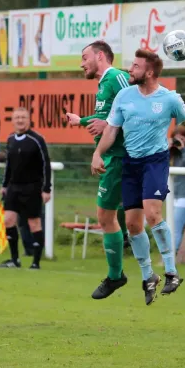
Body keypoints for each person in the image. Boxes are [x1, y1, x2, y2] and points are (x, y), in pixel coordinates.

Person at [91, 49, 185, 305]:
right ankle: (148, 276)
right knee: (133, 224)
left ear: (148, 72)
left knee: (152, 213)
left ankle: (171, 271)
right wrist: (98, 153)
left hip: (155, 162)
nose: (129, 70)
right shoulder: (124, 96)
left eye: (135, 66)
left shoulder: (169, 98)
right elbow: (112, 130)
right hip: (131, 163)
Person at [66, 40, 131, 300]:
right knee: (109, 216)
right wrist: (80, 120)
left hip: (120, 157)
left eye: (85, 57)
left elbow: (137, 105)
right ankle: (124, 258)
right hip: (113, 157)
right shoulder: (104, 84)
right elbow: (106, 120)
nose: (81, 63)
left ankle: (119, 274)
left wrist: (110, 126)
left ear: (100, 56)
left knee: (107, 216)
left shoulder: (116, 77)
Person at [0, 107, 52, 270]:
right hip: (14, 188)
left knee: (34, 223)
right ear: (13, 120)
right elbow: (8, 164)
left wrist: (46, 188)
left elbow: (46, 164)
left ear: (29, 120)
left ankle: (36, 262)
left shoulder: (36, 139)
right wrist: (4, 185)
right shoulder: (10, 139)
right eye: (17, 118)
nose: (20, 120)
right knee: (8, 220)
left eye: (23, 117)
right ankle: (14, 259)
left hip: (32, 188)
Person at [0, 149, 44, 258]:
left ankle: (36, 253)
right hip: (16, 189)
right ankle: (26, 252)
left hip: (32, 189)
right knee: (18, 221)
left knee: (33, 222)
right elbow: (7, 156)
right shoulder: (14, 141)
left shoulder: (35, 143)